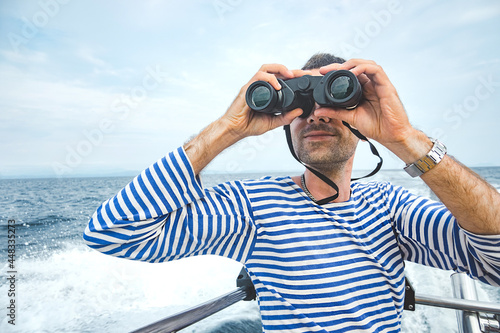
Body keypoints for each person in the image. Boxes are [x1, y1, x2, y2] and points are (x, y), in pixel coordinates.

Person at [83, 53, 500, 333]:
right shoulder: (252, 206)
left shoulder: (393, 207)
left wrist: (404, 136)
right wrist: (228, 128)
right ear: (284, 121)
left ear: (362, 118)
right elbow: (112, 232)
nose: (318, 113)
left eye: (337, 99)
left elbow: (495, 262)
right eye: (301, 104)